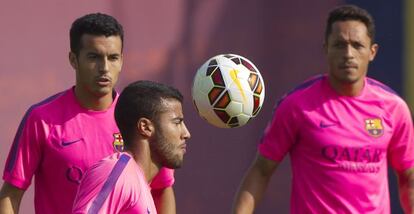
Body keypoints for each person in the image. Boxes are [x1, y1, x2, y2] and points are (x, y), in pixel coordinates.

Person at [233, 4, 414, 214]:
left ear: (372, 52)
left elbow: (408, 175)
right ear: (325, 48)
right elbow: (261, 171)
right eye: (339, 45)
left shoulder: (393, 107)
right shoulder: (296, 106)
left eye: (357, 45)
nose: (348, 54)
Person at [0, 13, 176, 214]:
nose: (104, 68)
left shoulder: (141, 121)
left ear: (121, 61)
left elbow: (162, 190)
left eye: (113, 58)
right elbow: (10, 195)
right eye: (94, 57)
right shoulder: (41, 119)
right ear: (73, 59)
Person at [72, 80, 191, 213]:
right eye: (177, 122)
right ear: (145, 127)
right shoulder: (117, 172)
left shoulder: (141, 186)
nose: (186, 134)